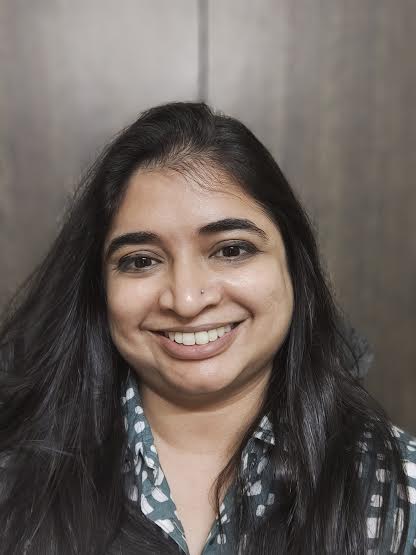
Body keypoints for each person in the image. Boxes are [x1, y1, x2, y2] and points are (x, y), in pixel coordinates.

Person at [0, 102, 415, 555]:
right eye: (141, 260)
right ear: (98, 288)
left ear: (294, 268)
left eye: (231, 250)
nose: (186, 300)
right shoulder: (13, 481)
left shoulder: (401, 487)